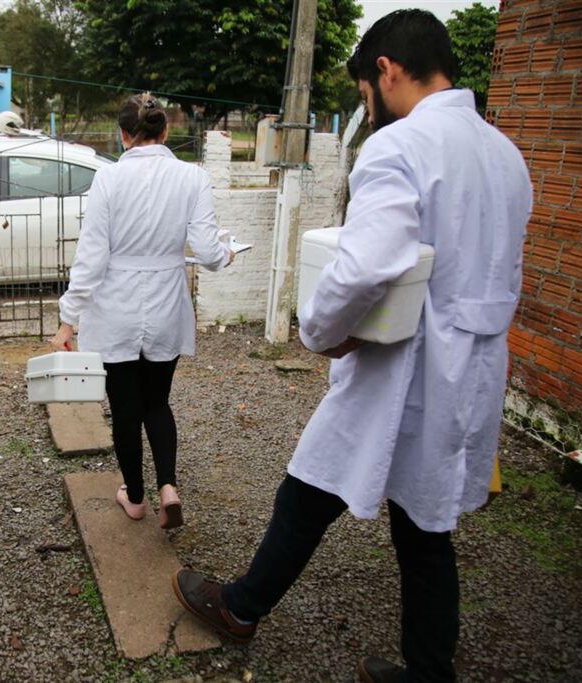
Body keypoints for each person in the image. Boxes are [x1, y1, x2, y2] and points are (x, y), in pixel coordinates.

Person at [171, 10, 532, 683]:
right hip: (473, 370)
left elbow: (366, 266)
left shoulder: (401, 148)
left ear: (387, 72)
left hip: (405, 367)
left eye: (367, 92)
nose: (370, 107)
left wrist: (320, 331)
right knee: (424, 527)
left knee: (313, 485)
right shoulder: (505, 153)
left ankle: (242, 608)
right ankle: (427, 671)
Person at [50, 92, 233, 530]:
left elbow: (91, 258)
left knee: (125, 409)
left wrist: (68, 318)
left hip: (116, 307)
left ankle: (134, 497)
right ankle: (168, 484)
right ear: (165, 130)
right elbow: (209, 253)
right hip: (167, 301)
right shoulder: (192, 177)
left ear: (122, 135)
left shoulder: (108, 181)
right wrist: (227, 253)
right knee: (158, 401)